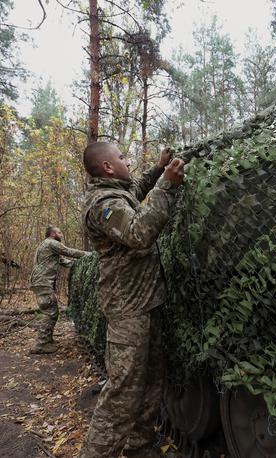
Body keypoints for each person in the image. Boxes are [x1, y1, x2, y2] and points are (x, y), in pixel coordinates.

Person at [79, 142, 185, 458]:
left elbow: (136, 190)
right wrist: (166, 184)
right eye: (121, 157)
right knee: (122, 392)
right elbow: (138, 233)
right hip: (128, 310)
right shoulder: (102, 205)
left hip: (146, 302)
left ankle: (140, 447)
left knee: (152, 382)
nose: (127, 160)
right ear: (108, 167)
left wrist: (157, 169)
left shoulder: (118, 192)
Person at [29, 225, 88, 354]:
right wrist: (90, 255)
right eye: (59, 232)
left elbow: (64, 261)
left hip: (41, 282)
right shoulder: (51, 243)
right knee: (50, 312)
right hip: (43, 282)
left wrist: (77, 265)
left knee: (51, 311)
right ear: (52, 234)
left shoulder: (46, 247)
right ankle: (41, 344)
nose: (61, 234)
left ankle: (47, 340)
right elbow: (69, 251)